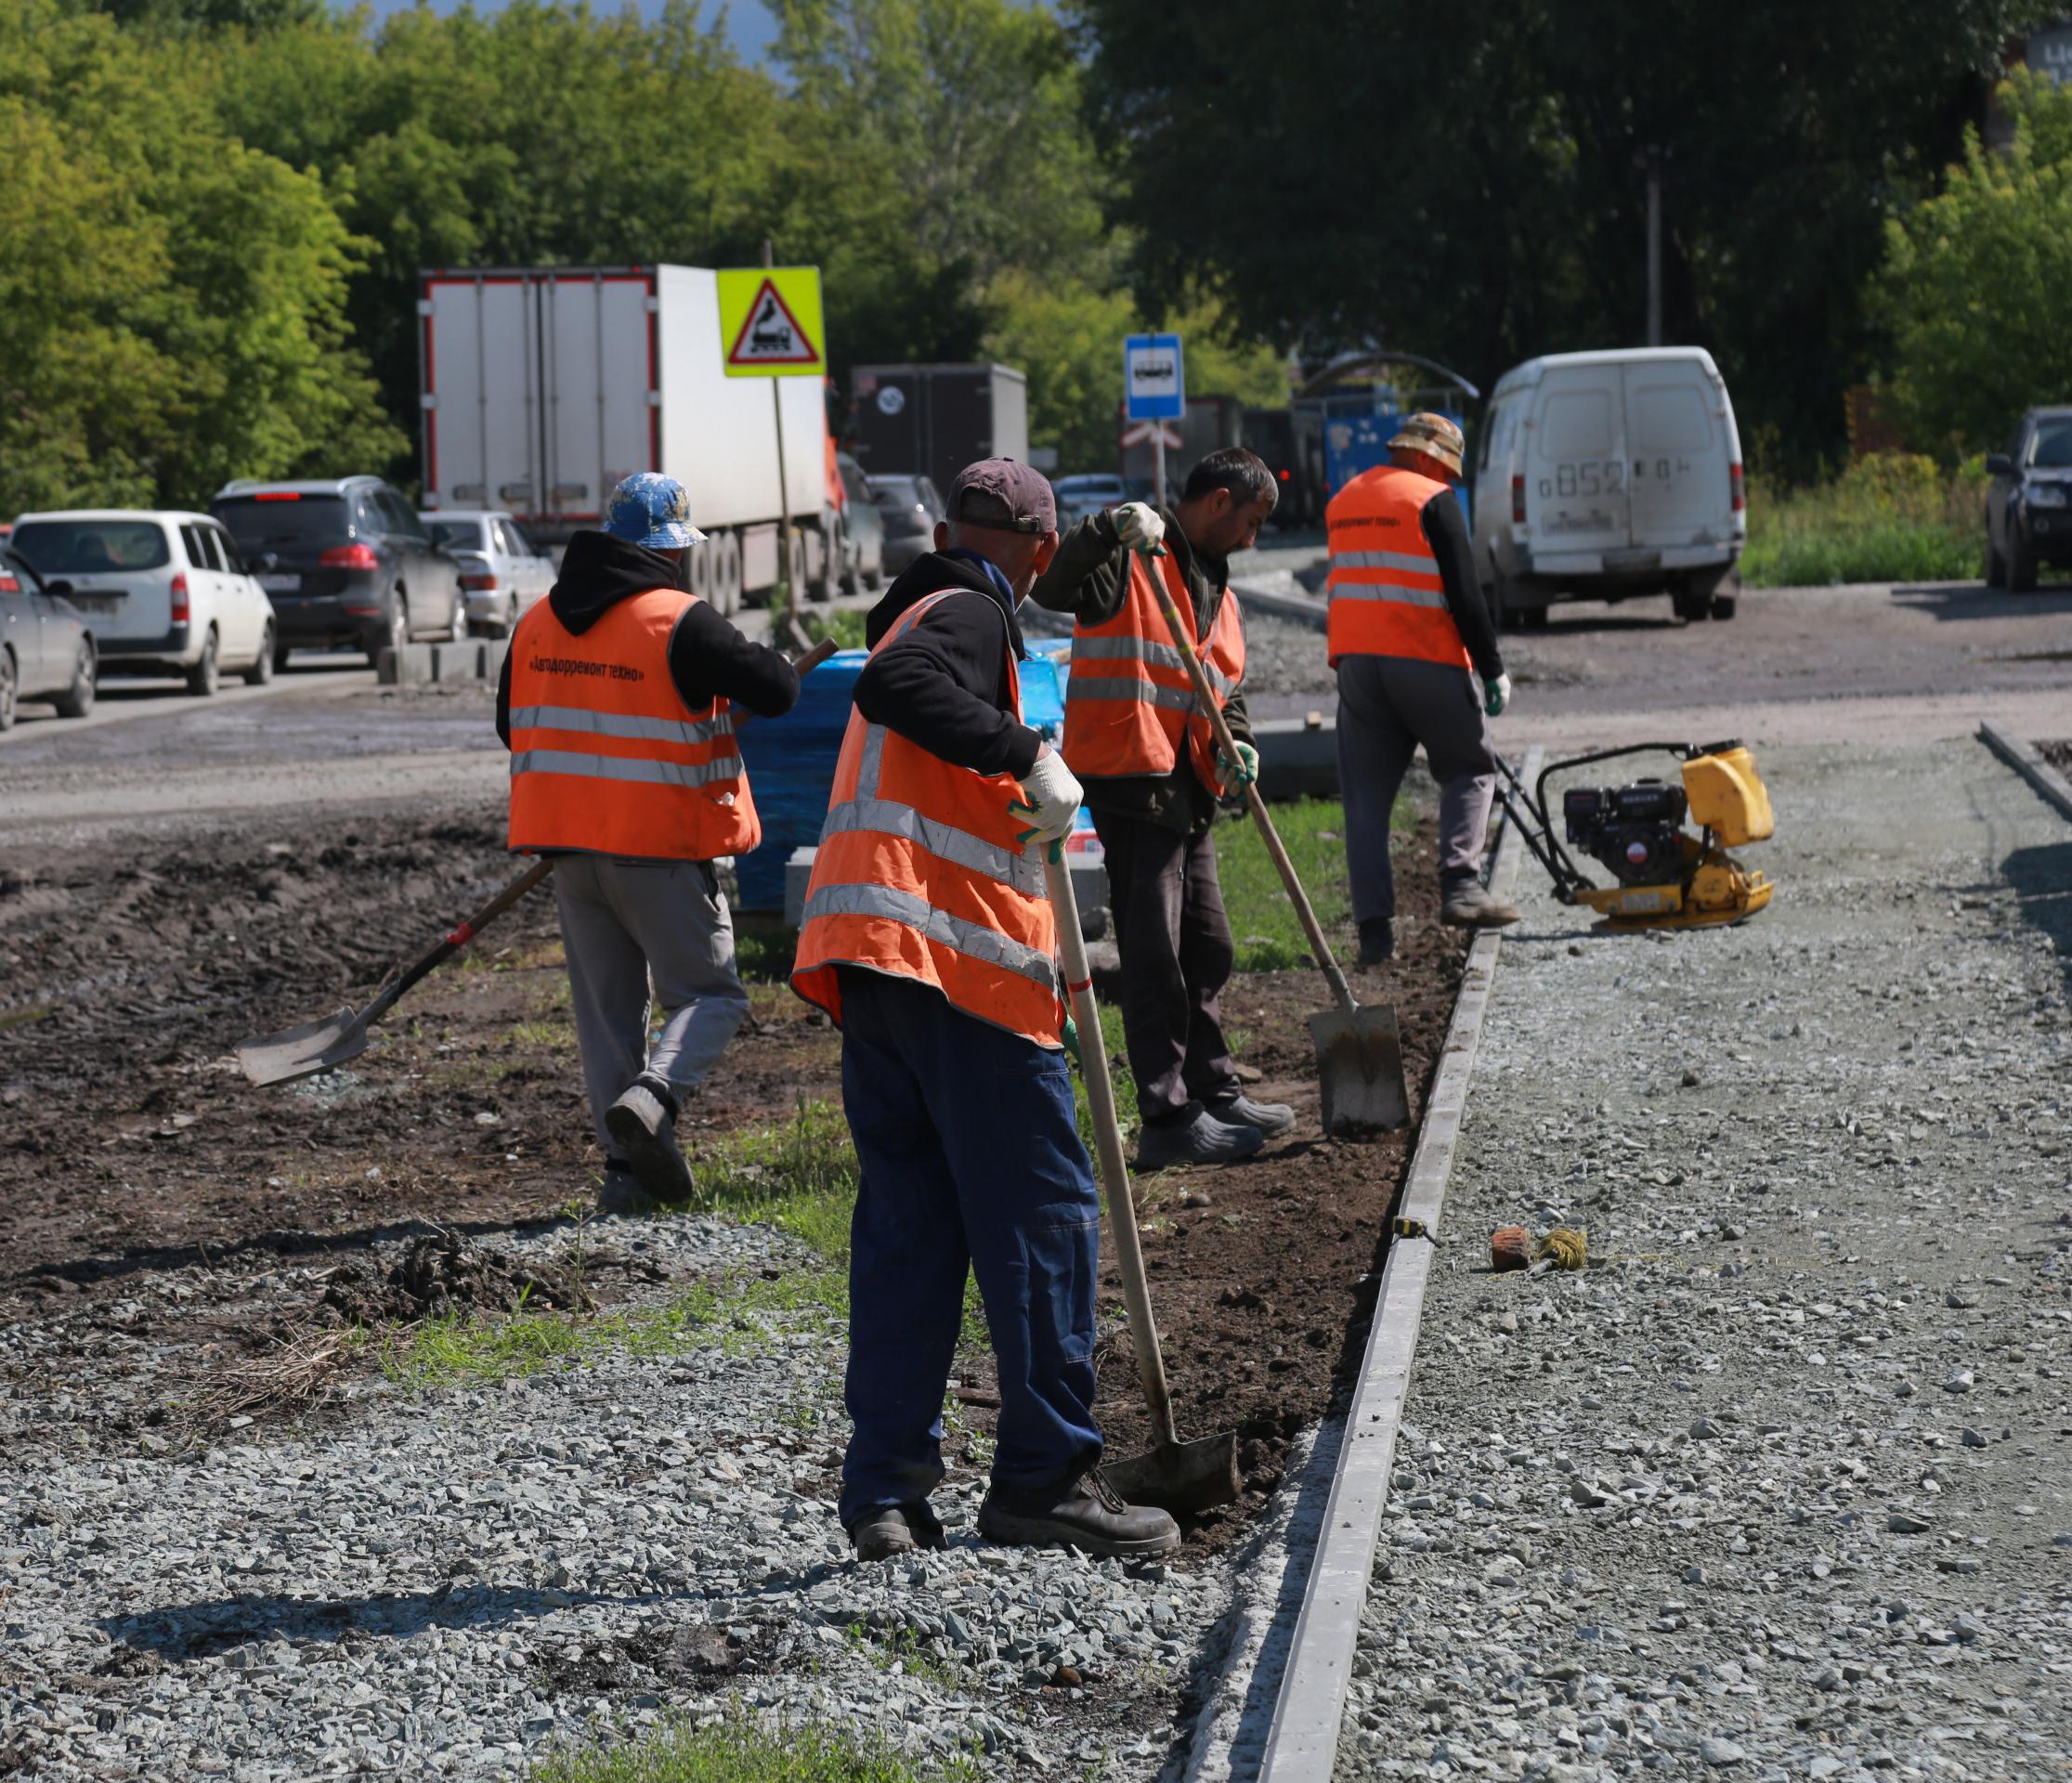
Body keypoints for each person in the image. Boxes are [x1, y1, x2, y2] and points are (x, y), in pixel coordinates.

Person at [791, 458, 1181, 1564]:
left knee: (911, 1235)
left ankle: (884, 1493)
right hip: (958, 979)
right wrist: (1028, 753)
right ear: (1038, 552)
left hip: (875, 965)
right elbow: (892, 683)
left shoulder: (926, 599)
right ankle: (1044, 1481)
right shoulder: (963, 612)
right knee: (1046, 1222)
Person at [498, 472, 801, 1214]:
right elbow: (779, 689)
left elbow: (512, 724)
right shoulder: (679, 621)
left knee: (607, 1013)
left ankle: (623, 1174)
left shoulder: (537, 621)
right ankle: (656, 1095)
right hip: (658, 850)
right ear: (670, 551)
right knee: (711, 993)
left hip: (570, 853)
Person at [1030, 448, 1292, 1173]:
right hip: (1132, 782)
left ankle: (1214, 1088)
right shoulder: (1131, 560)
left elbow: (1222, 686)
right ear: (1215, 502)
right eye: (1251, 520)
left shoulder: (1215, 584)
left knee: (1207, 947)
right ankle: (1167, 1117)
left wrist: (1238, 744)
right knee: (1154, 956)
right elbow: (1051, 584)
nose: (1252, 537)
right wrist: (1106, 529)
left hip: (1188, 790)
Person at [1326, 412, 1519, 965]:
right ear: (1429, 456)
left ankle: (1374, 938)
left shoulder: (1343, 501)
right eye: (1448, 468)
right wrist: (1492, 668)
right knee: (1470, 768)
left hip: (1358, 668)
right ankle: (1461, 886)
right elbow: (1465, 592)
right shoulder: (1431, 501)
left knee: (1365, 802)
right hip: (1425, 659)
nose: (1450, 480)